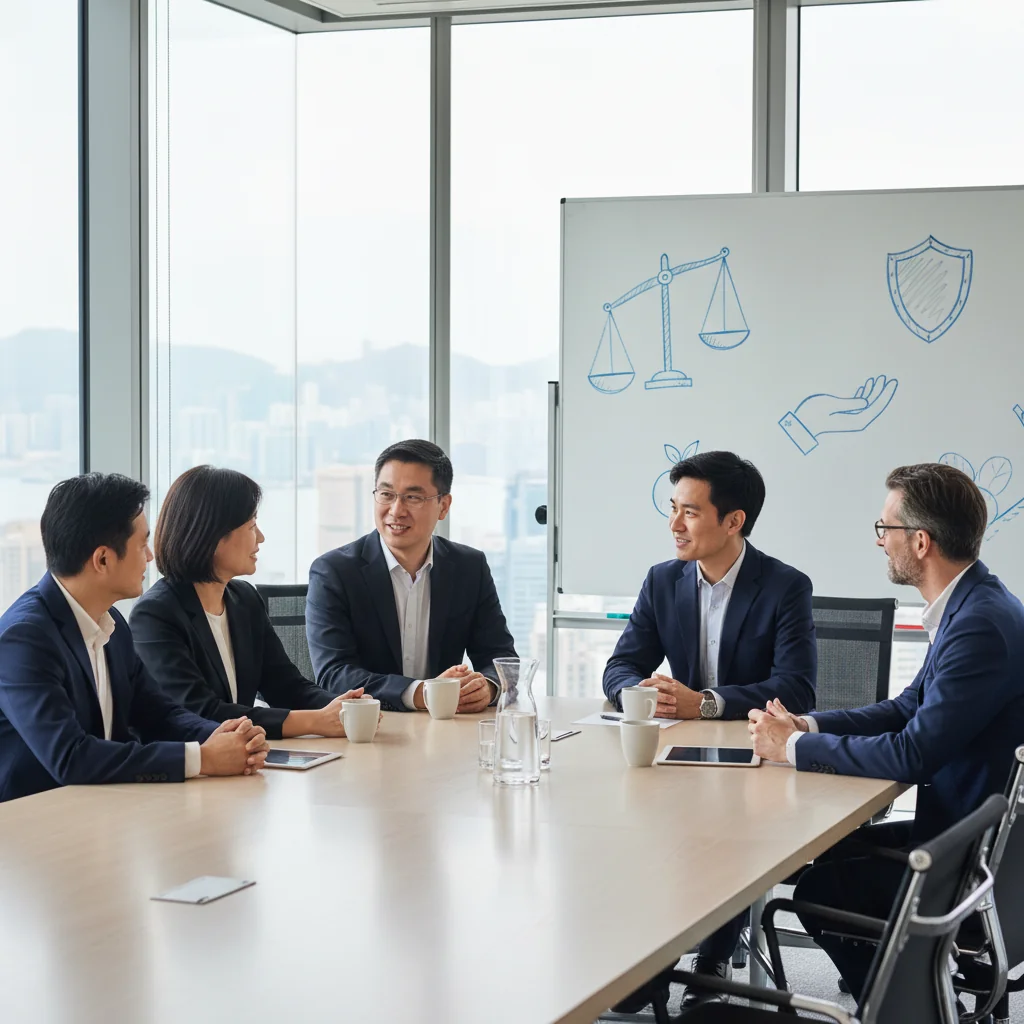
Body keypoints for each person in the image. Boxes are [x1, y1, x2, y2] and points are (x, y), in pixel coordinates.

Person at [748, 463, 1024, 999]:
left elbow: (912, 753)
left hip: (966, 858)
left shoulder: (979, 625)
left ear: (920, 541)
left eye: (885, 528)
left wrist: (794, 748)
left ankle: (907, 1004)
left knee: (819, 890)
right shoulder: (973, 604)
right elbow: (907, 707)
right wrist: (806, 724)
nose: (879, 541)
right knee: (833, 852)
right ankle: (907, 989)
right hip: (968, 831)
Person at [605, 450, 817, 1012]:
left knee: (728, 830)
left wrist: (705, 703)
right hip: (678, 759)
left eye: (691, 512)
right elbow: (619, 666)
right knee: (634, 823)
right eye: (673, 509)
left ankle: (710, 962)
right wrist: (639, 692)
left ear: (733, 521)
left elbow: (796, 689)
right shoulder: (663, 580)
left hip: (753, 756)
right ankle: (648, 954)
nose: (675, 525)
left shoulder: (785, 586)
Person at [0, 473, 269, 803]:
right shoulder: (24, 638)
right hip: (33, 820)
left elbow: (159, 714)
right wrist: (203, 758)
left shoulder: (111, 624)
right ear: (103, 559)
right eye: (142, 545)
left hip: (102, 809)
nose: (150, 557)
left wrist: (226, 735)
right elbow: (70, 757)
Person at [131, 466, 365, 740]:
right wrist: (314, 721)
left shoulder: (244, 599)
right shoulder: (155, 614)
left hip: (242, 757)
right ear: (213, 536)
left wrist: (345, 707)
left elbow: (286, 686)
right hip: (189, 761)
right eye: (252, 526)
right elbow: (199, 711)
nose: (261, 537)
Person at [306, 439, 517, 713]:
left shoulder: (469, 567)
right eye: (386, 494)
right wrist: (422, 693)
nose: (396, 510)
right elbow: (334, 674)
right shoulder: (334, 572)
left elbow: (500, 656)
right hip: (370, 728)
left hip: (444, 728)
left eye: (413, 497)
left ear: (443, 506)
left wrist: (487, 687)